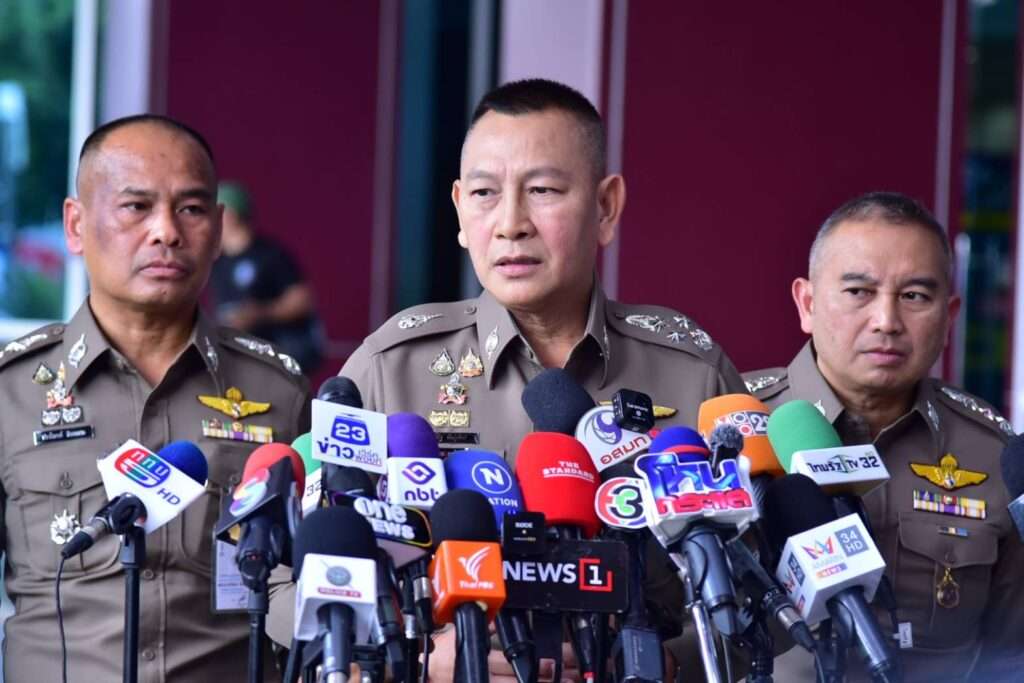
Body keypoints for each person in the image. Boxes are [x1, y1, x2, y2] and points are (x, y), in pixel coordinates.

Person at [266, 79, 748, 680]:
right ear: (459, 209)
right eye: (485, 193)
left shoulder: (691, 373)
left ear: (605, 207)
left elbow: (768, 596)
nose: (511, 223)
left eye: (542, 191)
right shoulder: (392, 367)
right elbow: (284, 586)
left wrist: (665, 666)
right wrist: (416, 659)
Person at [0, 114, 310, 681]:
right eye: (136, 207)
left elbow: (306, 594)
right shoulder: (11, 392)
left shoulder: (279, 394)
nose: (166, 231)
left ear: (218, 230)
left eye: (190, 209)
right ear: (75, 225)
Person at [743, 192, 1024, 681]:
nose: (887, 322)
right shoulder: (731, 427)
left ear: (950, 316)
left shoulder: (993, 453)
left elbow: (1010, 652)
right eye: (859, 291)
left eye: (914, 297)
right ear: (807, 303)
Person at [208, 181, 324, 374]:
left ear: (230, 215)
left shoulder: (270, 254)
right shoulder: (216, 261)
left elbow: (302, 300)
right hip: (237, 359)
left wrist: (260, 313)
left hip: (274, 360)